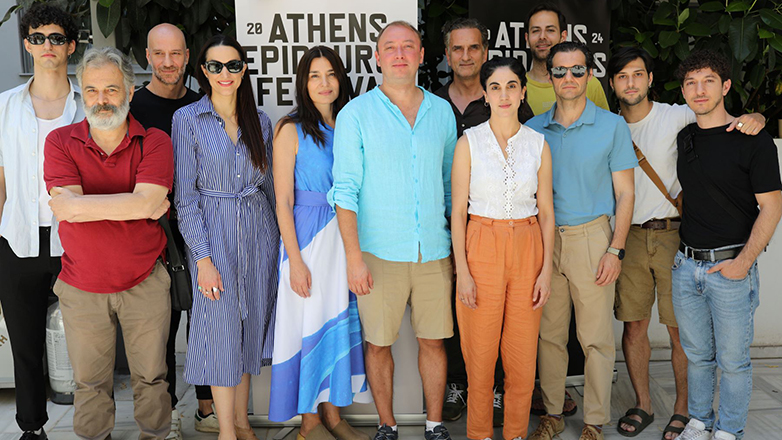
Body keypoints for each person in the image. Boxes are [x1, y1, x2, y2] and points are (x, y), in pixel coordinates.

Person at [606, 47, 766, 440]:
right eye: (622, 76)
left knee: (681, 332)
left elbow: (721, 117)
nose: (631, 82)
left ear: (650, 79)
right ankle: (644, 403)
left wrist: (757, 118)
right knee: (634, 325)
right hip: (629, 236)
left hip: (675, 234)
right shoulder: (607, 126)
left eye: (638, 74)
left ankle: (686, 412)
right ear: (612, 84)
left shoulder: (676, 115)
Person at [328, 20, 457, 440]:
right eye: (391, 47)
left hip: (433, 250)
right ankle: (387, 425)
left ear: (421, 55)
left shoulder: (441, 112)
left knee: (434, 341)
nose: (399, 54)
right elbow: (345, 191)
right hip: (378, 253)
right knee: (378, 343)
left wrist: (457, 251)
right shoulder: (355, 114)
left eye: (408, 46)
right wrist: (354, 259)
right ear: (378, 57)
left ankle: (434, 424)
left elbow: (450, 186)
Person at [44, 46, 174, 439]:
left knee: (152, 377)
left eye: (111, 89)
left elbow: (147, 202)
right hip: (81, 285)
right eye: (92, 90)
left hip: (145, 280)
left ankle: (155, 435)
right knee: (89, 383)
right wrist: (137, 203)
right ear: (82, 93)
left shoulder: (154, 141)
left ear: (130, 91)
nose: (102, 100)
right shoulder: (60, 142)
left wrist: (80, 204)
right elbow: (67, 211)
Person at [525, 41, 637, 440]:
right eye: (560, 70)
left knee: (595, 339)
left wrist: (615, 249)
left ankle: (594, 421)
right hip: (543, 242)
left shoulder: (611, 125)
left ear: (589, 74)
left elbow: (626, 193)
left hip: (592, 239)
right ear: (549, 75)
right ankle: (553, 414)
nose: (568, 77)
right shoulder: (533, 129)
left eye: (577, 70)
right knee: (549, 336)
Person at [172, 34, 279, 440]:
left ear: (243, 69)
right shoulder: (187, 119)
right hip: (213, 236)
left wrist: (283, 245)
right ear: (203, 70)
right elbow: (185, 198)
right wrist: (202, 259)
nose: (224, 74)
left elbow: (269, 187)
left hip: (259, 235)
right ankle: (226, 433)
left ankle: (243, 425)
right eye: (215, 66)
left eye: (232, 65)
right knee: (220, 335)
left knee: (249, 332)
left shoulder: (260, 120)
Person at [672, 50, 782, 440]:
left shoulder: (754, 140)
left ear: (726, 86)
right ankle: (699, 422)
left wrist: (743, 263)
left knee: (734, 362)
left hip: (731, 269)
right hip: (686, 267)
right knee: (698, 356)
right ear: (683, 91)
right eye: (691, 82)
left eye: (708, 81)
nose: (699, 90)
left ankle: (728, 431)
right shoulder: (685, 137)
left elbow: (772, 207)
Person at [435, 17, 535, 426]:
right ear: (446, 55)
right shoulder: (433, 104)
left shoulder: (512, 108)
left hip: (500, 228)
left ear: (485, 52)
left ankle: (497, 391)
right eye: (457, 48)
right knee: (459, 313)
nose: (465, 56)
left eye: (473, 47)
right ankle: (460, 384)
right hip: (445, 227)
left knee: (506, 321)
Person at [268, 45, 370, 440]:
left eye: (331, 74)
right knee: (308, 325)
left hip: (344, 239)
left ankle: (333, 415)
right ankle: (309, 424)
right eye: (314, 76)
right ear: (303, 83)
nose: (324, 83)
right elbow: (282, 200)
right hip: (307, 240)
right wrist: (294, 260)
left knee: (336, 323)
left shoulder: (352, 123)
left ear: (341, 79)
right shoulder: (289, 128)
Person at [450, 56, 554, 440]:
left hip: (528, 246)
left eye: (512, 86)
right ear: (485, 94)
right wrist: (463, 272)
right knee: (480, 359)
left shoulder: (538, 144)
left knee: (522, 361)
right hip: (481, 245)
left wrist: (545, 270)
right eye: (495, 87)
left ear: (523, 92)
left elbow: (547, 213)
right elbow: (457, 212)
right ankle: (479, 434)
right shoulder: (469, 143)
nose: (504, 94)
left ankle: (515, 434)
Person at [129, 23, 215, 439]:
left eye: (176, 53)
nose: (168, 62)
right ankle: (166, 416)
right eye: (159, 54)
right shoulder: (133, 107)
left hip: (199, 231)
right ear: (147, 56)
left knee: (205, 322)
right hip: (152, 234)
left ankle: (207, 408)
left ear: (187, 58)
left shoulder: (203, 105)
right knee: (159, 331)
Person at [0, 4, 83, 439]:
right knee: (26, 345)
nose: (46, 45)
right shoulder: (5, 106)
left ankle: (94, 424)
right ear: (27, 45)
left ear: (71, 46)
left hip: (80, 241)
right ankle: (32, 429)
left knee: (90, 343)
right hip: (17, 239)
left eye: (56, 37)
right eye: (37, 37)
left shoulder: (89, 104)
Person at [524, 2, 609, 115]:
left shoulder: (589, 83)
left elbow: (606, 124)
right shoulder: (517, 88)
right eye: (536, 31)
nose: (542, 36)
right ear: (527, 38)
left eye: (550, 30)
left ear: (563, 36)